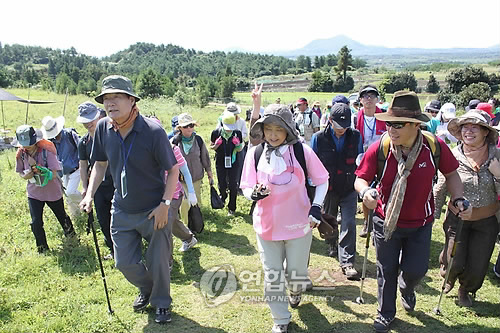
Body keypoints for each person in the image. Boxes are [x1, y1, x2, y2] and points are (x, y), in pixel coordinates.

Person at [354, 91, 471, 333]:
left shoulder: (434, 146)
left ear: (415, 125)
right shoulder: (381, 148)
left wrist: (458, 197)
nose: (391, 130)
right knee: (386, 270)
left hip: (421, 222)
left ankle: (406, 287)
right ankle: (385, 313)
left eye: (398, 125)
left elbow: (451, 174)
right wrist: (365, 192)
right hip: (385, 220)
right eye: (388, 124)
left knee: (416, 270)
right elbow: (361, 178)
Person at [79, 75, 180, 325]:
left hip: (153, 210)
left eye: (116, 97)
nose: (110, 103)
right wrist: (89, 194)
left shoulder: (152, 131)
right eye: (106, 99)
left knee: (158, 261)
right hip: (121, 209)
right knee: (123, 262)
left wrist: (165, 205)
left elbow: (173, 170)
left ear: (131, 100)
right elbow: (100, 164)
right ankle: (148, 289)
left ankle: (161, 303)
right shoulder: (103, 127)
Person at [240, 102, 329, 333]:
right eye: (268, 129)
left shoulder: (302, 151)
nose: (272, 135)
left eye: (278, 130)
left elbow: (322, 180)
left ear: (288, 129)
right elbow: (246, 186)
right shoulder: (255, 153)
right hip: (266, 225)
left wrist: (317, 207)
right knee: (273, 276)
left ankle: (296, 290)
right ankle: (280, 319)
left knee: (296, 273)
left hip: (299, 225)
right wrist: (254, 194)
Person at [434, 110, 500, 307]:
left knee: (478, 264)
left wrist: (498, 175)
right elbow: (440, 185)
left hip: (487, 219)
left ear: (486, 132)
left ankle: (466, 290)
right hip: (457, 218)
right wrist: (433, 214)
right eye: (465, 127)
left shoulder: (497, 156)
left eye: (474, 127)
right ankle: (448, 274)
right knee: (454, 259)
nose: (468, 131)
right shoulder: (453, 155)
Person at [311, 102, 363, 279]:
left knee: (349, 222)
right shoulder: (318, 138)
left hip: (349, 187)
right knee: (330, 218)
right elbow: (313, 163)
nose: (342, 129)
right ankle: (332, 243)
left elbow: (360, 159)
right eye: (339, 126)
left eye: (346, 126)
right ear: (330, 121)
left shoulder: (356, 136)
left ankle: (348, 262)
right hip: (328, 187)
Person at [14, 125, 75, 253]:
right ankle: (42, 249)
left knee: (61, 216)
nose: (27, 147)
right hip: (34, 193)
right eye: (24, 145)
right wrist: (26, 175)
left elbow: (55, 173)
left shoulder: (47, 151)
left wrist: (45, 172)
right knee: (36, 222)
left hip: (52, 191)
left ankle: (72, 237)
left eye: (29, 144)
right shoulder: (21, 154)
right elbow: (20, 172)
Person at [77, 102, 115, 259]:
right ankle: (113, 250)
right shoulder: (83, 142)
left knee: (119, 218)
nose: (88, 124)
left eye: (91, 120)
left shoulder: (113, 135)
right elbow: (83, 165)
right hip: (98, 186)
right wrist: (86, 189)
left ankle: (129, 248)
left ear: (100, 117)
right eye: (85, 121)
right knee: (103, 219)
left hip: (116, 184)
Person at [171, 113, 214, 227]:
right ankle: (186, 227)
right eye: (186, 126)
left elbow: (205, 158)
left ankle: (196, 225)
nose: (189, 128)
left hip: (196, 177)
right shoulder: (174, 142)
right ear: (180, 128)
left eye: (191, 125)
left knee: (196, 202)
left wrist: (210, 174)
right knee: (184, 203)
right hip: (181, 179)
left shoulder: (198, 140)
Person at [355, 85, 387, 238]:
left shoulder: (385, 117)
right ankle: (367, 222)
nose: (368, 98)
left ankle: (380, 221)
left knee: (383, 191)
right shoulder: (356, 117)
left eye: (372, 95)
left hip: (382, 158)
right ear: (360, 100)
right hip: (362, 159)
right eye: (365, 96)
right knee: (365, 190)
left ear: (377, 99)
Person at [41, 115, 82, 217]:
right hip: (62, 172)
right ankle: (76, 216)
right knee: (68, 196)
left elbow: (81, 147)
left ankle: (85, 199)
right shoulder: (51, 142)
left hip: (76, 168)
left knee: (70, 192)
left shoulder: (69, 134)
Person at [210, 111, 244, 215]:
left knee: (233, 184)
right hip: (220, 161)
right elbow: (211, 147)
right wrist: (216, 145)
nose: (229, 129)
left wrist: (238, 145)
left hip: (233, 162)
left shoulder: (237, 133)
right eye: (227, 127)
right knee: (222, 182)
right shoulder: (216, 132)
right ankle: (223, 197)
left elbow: (239, 149)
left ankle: (232, 208)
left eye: (231, 127)